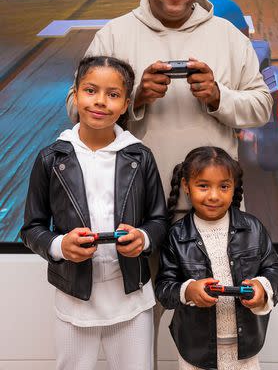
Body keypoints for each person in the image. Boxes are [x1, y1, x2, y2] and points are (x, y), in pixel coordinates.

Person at [66, 0, 273, 217]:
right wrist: (135, 97)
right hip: (134, 205)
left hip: (211, 207)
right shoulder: (113, 35)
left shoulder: (229, 36)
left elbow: (262, 108)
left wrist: (217, 96)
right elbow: (74, 107)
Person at [21, 56, 168, 370]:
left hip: (132, 299)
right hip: (73, 299)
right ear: (74, 94)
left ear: (126, 103)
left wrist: (142, 238)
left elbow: (159, 220)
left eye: (113, 94)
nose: (100, 101)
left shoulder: (140, 157)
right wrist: (61, 246)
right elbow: (32, 227)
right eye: (90, 90)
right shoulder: (50, 158)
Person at [155, 146, 278, 370]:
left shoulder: (253, 228)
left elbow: (273, 271)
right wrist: (189, 290)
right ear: (186, 186)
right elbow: (164, 288)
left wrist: (262, 288)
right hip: (195, 351)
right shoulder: (177, 235)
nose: (214, 196)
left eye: (223, 186)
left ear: (234, 188)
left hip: (246, 350)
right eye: (203, 186)